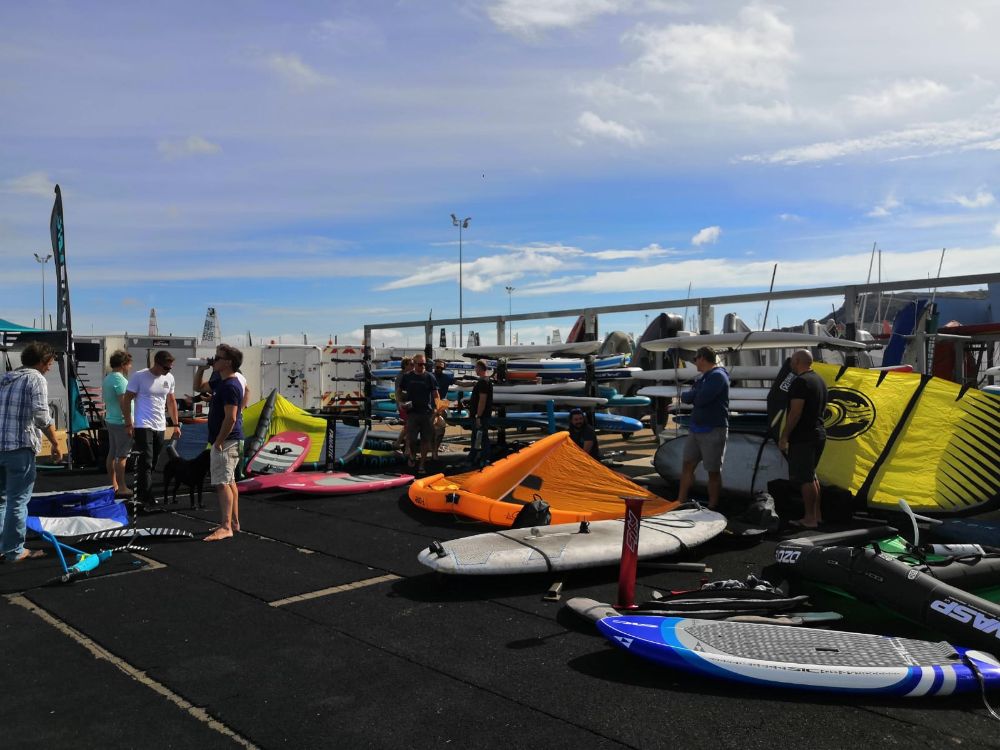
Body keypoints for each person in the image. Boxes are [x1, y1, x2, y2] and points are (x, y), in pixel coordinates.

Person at [0, 341, 62, 562]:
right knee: (18, 500)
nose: (51, 367)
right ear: (43, 361)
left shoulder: (6, 378)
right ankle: (15, 550)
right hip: (19, 447)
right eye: (51, 362)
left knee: (1, 500)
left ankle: (2, 547)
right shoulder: (36, 379)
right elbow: (41, 416)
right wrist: (55, 443)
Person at [199, 344, 245, 541]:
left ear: (228, 363)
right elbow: (198, 388)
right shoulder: (221, 383)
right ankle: (233, 522)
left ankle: (226, 526)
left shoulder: (230, 386)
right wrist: (202, 368)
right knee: (229, 481)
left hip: (227, 442)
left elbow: (231, 418)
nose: (214, 360)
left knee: (221, 483)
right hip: (229, 440)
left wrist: (218, 441)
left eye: (218, 358)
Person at [778, 349, 829, 529]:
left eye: (792, 360)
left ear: (798, 361)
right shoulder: (819, 380)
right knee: (812, 476)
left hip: (804, 437)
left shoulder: (801, 382)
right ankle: (817, 515)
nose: (791, 363)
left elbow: (795, 413)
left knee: (805, 479)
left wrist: (784, 436)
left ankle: (809, 519)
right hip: (818, 433)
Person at [123, 350, 180, 509]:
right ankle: (146, 496)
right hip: (142, 424)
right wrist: (129, 423)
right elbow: (127, 399)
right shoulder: (139, 376)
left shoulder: (169, 378)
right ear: (156, 363)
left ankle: (141, 491)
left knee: (154, 461)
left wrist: (176, 424)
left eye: (170, 368)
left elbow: (171, 401)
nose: (168, 371)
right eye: (166, 368)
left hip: (160, 425)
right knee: (146, 461)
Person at [676, 346, 729, 510]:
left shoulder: (718, 376)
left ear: (702, 359)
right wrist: (692, 395)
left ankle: (713, 506)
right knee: (687, 465)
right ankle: (680, 500)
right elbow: (689, 396)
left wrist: (692, 395)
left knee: (712, 471)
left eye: (695, 358)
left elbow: (699, 399)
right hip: (696, 429)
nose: (694, 362)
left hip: (713, 429)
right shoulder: (704, 378)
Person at [397, 353, 438, 474]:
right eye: (420, 364)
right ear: (414, 364)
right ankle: (413, 455)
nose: (423, 366)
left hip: (426, 413)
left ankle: (422, 465)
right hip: (412, 413)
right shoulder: (407, 377)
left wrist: (437, 409)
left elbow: (436, 395)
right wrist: (400, 402)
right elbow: (399, 391)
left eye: (424, 364)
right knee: (412, 439)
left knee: (426, 440)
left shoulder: (430, 377)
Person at [102, 349, 133, 498]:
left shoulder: (108, 378)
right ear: (123, 364)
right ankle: (122, 487)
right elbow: (123, 403)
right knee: (122, 455)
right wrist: (129, 423)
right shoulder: (120, 380)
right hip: (121, 422)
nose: (130, 367)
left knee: (112, 453)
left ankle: (114, 484)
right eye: (129, 364)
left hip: (111, 419)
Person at [467, 359, 493, 468]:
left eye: (476, 367)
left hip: (481, 416)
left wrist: (478, 416)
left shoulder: (483, 382)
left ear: (480, 368)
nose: (475, 370)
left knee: (480, 437)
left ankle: (482, 459)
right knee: (480, 437)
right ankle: (479, 458)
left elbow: (482, 400)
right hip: (482, 415)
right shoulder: (486, 381)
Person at [393, 357, 413, 459]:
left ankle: (398, 443)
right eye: (411, 364)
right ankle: (407, 448)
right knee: (409, 426)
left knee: (407, 426)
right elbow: (398, 392)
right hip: (404, 404)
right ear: (405, 365)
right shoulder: (402, 376)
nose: (413, 366)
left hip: (405, 404)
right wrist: (401, 403)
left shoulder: (405, 375)